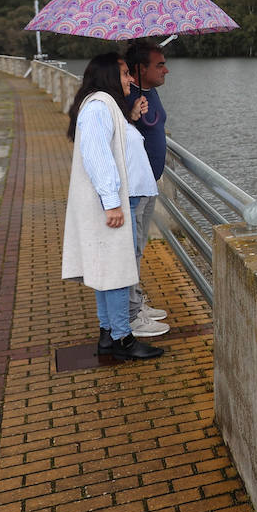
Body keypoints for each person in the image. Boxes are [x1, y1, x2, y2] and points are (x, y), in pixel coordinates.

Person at [62, 52, 164, 360]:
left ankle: (109, 335)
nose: (130, 79)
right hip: (117, 203)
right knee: (118, 272)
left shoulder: (106, 106)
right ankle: (123, 339)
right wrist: (112, 204)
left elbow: (113, 145)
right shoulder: (97, 107)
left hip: (121, 200)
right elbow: (97, 157)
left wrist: (130, 118)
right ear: (108, 77)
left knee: (109, 270)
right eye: (124, 74)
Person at [123, 41, 171, 337]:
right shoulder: (124, 97)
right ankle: (130, 315)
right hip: (134, 187)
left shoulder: (149, 92)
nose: (166, 70)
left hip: (148, 183)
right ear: (140, 69)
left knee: (138, 247)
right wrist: (131, 116)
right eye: (159, 65)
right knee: (130, 250)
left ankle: (136, 303)